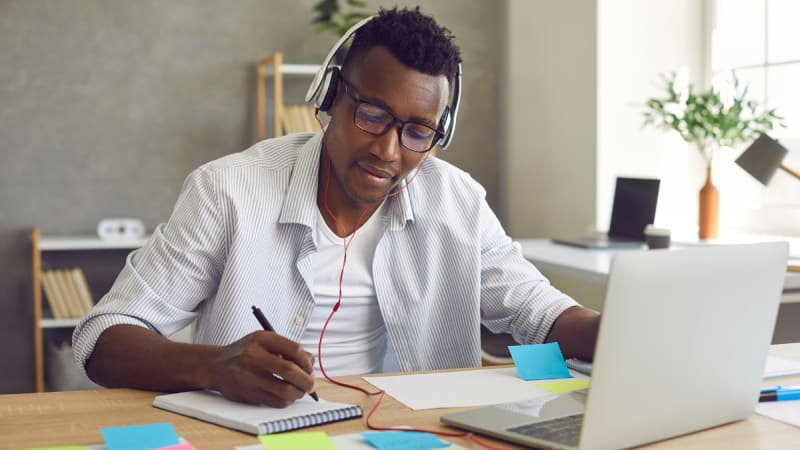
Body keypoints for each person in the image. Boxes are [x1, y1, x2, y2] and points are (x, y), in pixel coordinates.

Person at [73, 7, 599, 408]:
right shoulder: (229, 190)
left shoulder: (457, 202)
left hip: (407, 433)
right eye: (372, 114)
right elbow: (101, 339)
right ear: (329, 98)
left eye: (417, 132)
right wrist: (214, 365)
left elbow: (538, 312)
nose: (388, 151)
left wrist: (612, 331)